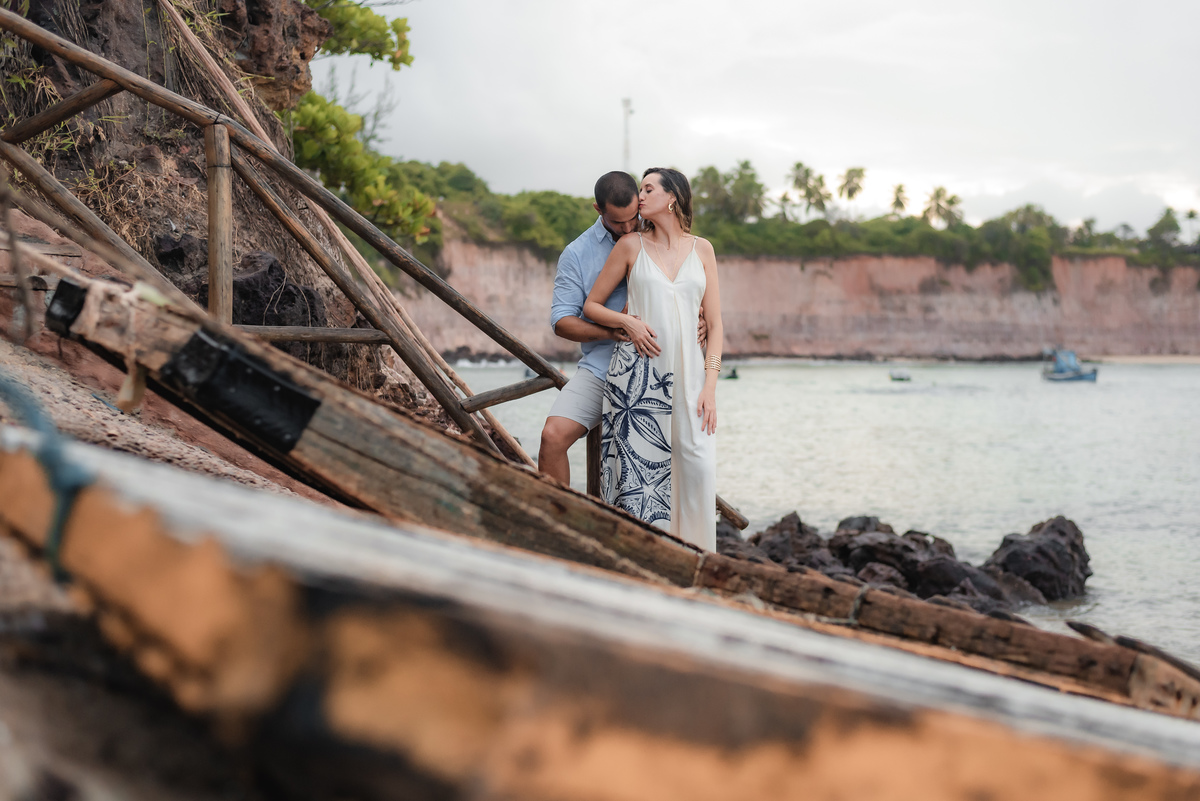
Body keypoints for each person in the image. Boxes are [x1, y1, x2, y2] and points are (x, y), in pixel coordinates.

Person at [583, 167, 723, 551]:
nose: (639, 196)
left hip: (694, 381)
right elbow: (591, 306)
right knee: (641, 485)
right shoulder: (630, 247)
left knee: (697, 471)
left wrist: (710, 388)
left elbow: (715, 324)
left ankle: (697, 567)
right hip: (639, 382)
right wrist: (627, 321)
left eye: (647, 189)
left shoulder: (703, 249)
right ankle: (644, 569)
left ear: (672, 197)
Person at [538, 172, 641, 485]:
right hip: (602, 367)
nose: (627, 229)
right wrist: (611, 331)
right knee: (552, 437)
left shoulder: (659, 236)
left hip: (662, 364)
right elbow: (562, 321)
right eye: (617, 222)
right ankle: (558, 526)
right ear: (598, 209)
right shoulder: (576, 254)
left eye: (633, 218)